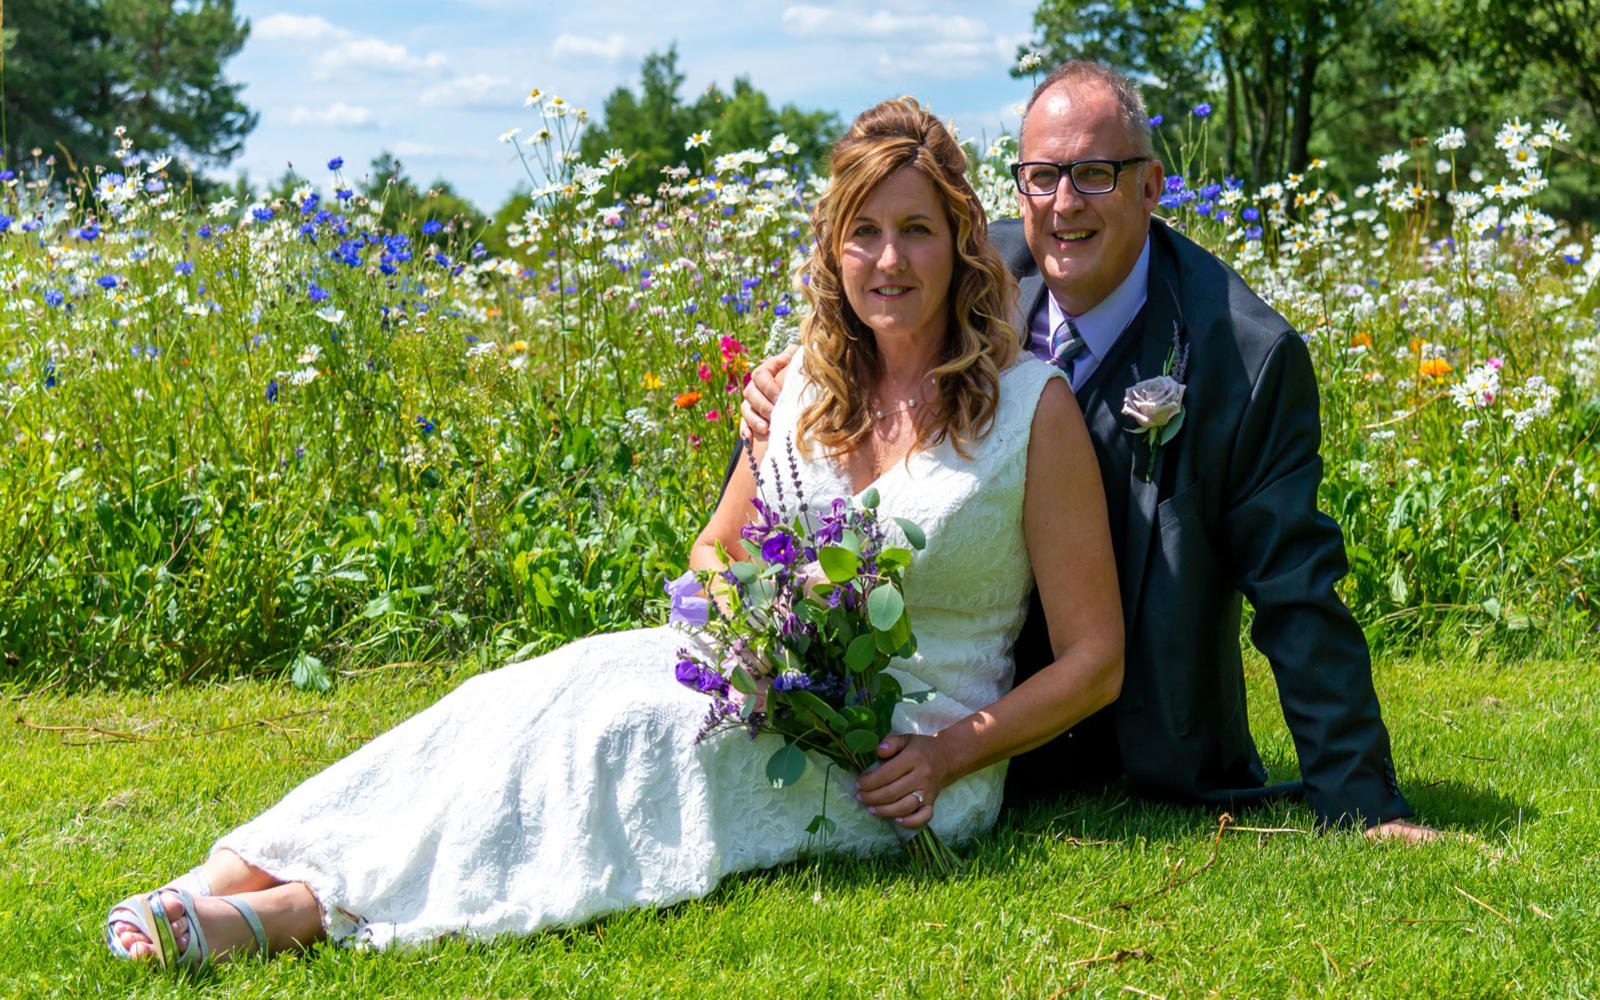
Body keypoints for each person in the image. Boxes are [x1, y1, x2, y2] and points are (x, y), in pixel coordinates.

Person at [104, 97, 1125, 970]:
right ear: (832, 248)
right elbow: (714, 552)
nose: (887, 259)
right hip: (764, 684)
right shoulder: (806, 384)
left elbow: (1094, 659)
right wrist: (748, 633)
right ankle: (233, 865)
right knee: (531, 691)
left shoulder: (1029, 411)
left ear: (960, 243)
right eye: (862, 232)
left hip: (896, 760)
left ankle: (297, 911)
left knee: (617, 737)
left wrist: (947, 755)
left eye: (914, 231)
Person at [741, 62, 1436, 842]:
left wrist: (1362, 802)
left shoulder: (1244, 356)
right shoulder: (967, 272)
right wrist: (779, 383)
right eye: (1043, 177)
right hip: (952, 718)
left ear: (1151, 187)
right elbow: (858, 332)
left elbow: (1296, 587)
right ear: (1019, 189)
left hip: (1143, 741)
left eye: (1095, 174)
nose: (1065, 204)